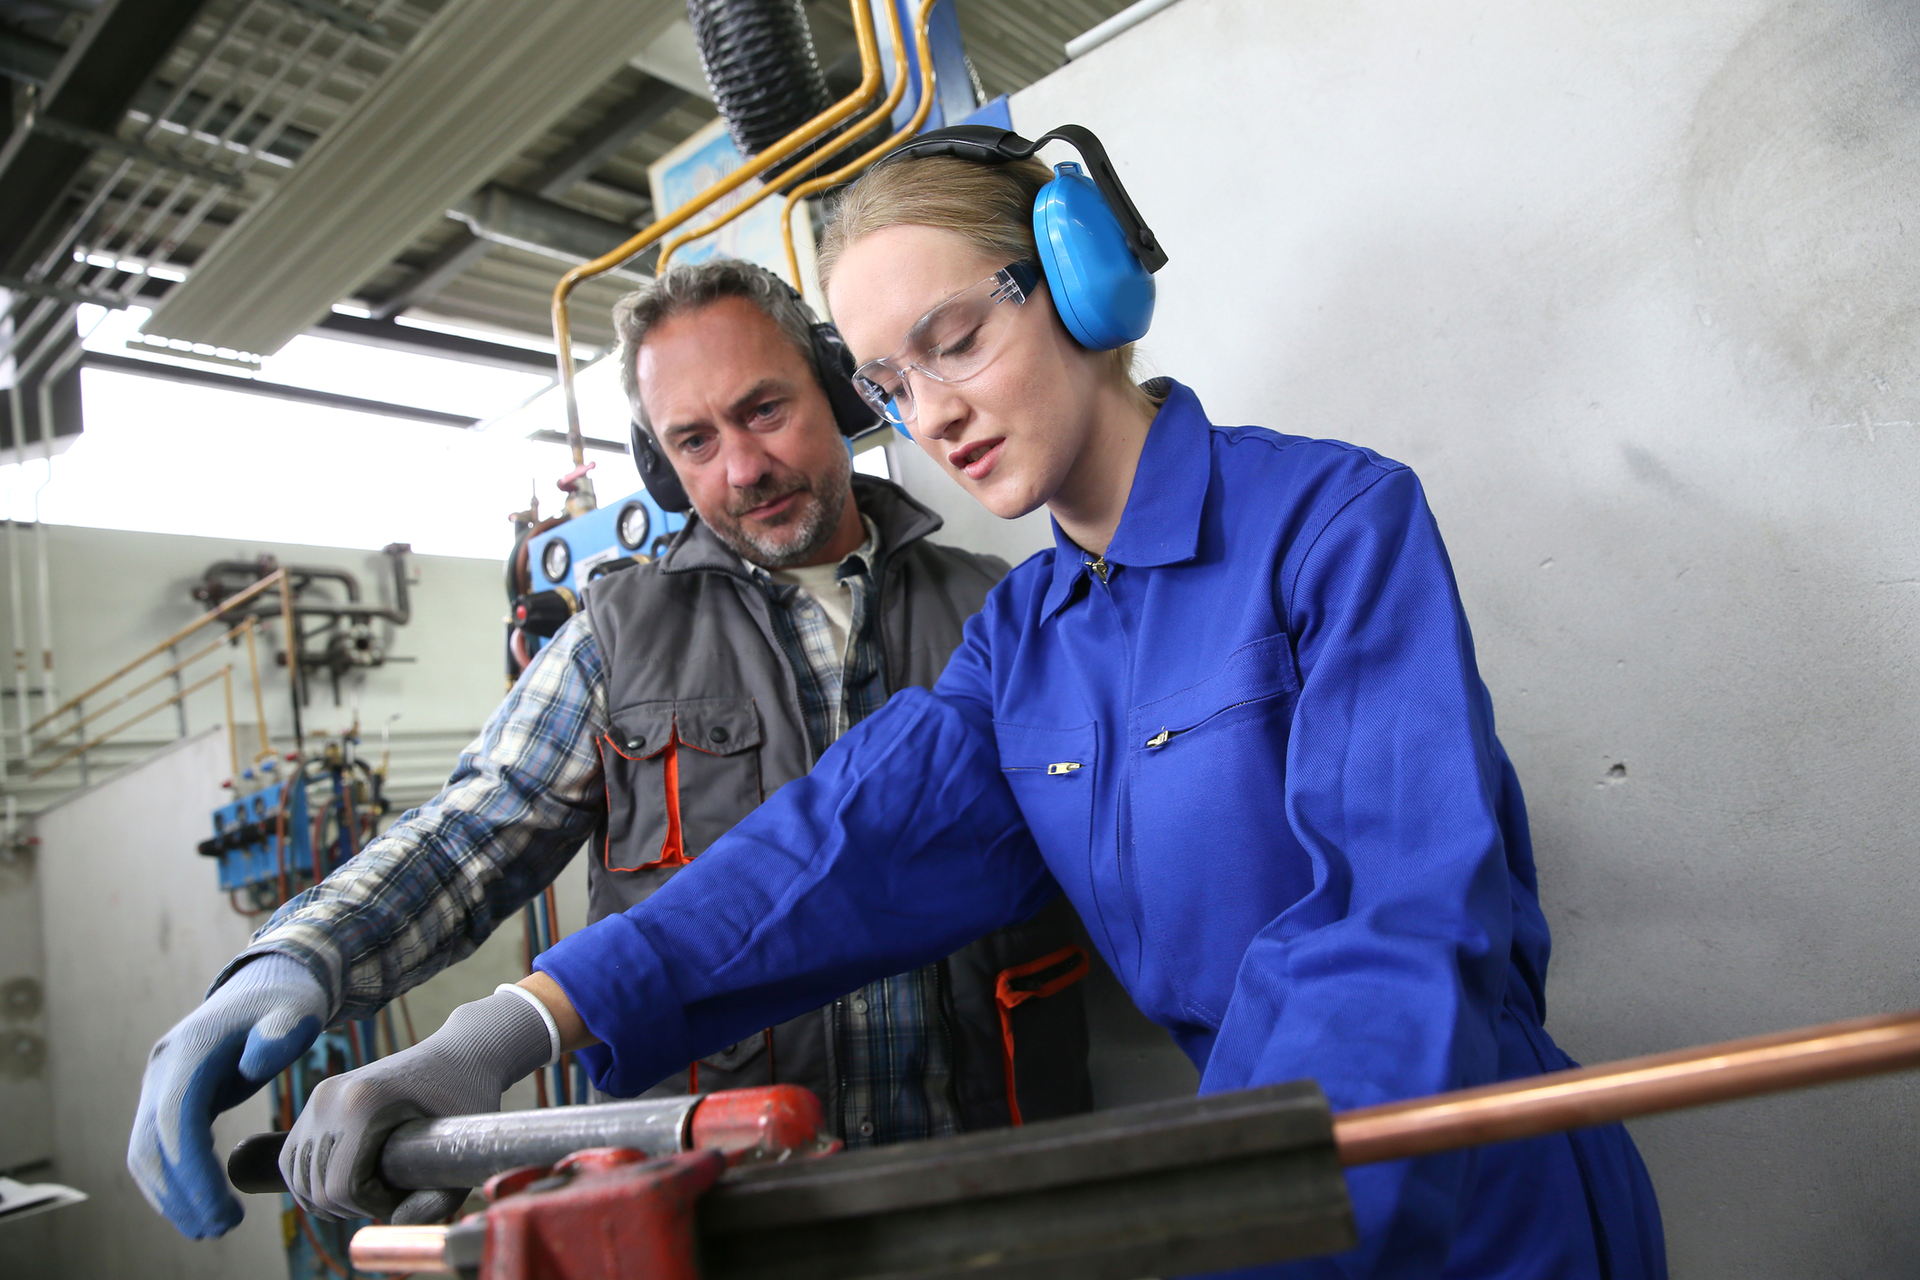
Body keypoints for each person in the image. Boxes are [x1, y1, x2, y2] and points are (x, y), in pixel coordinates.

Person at [271, 127, 1669, 1278]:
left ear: (1082, 281)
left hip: (1456, 1205)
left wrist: (1241, 1221)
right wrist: (510, 1028)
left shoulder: (1333, 523)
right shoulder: (1024, 638)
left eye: (951, 342)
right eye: (890, 380)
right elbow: (821, 855)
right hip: (1257, 1201)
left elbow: (1385, 933)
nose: (929, 413)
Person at [127, 258, 1093, 1239]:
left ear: (841, 390)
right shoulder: (616, 637)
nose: (741, 467)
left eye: (764, 410)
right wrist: (297, 955)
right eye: (694, 440)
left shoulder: (995, 607)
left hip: (985, 1193)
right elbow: (473, 830)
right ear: (661, 462)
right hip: (725, 1216)